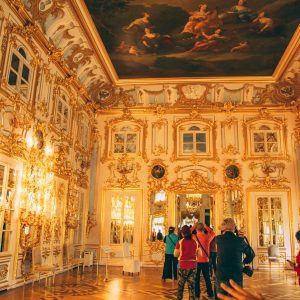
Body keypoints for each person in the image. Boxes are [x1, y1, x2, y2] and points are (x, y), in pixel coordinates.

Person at [215, 218, 255, 299]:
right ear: (234, 228)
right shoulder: (239, 241)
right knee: (236, 297)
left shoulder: (218, 239)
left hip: (221, 275)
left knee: (221, 297)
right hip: (236, 276)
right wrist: (244, 262)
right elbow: (251, 254)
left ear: (223, 229)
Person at [174, 225, 201, 300]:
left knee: (180, 287)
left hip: (182, 266)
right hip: (193, 266)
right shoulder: (195, 242)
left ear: (182, 233)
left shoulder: (180, 242)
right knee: (192, 287)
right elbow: (200, 254)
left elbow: (175, 254)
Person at [191, 222, 214, 299]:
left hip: (197, 261)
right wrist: (206, 226)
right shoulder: (208, 236)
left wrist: (194, 226)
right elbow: (213, 233)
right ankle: (210, 294)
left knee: (196, 279)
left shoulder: (194, 237)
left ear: (196, 229)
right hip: (206, 261)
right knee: (207, 278)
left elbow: (187, 233)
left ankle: (197, 295)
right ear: (203, 229)